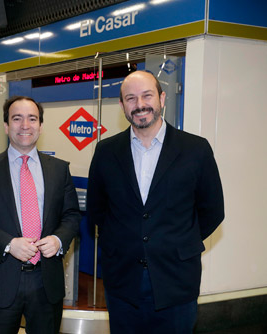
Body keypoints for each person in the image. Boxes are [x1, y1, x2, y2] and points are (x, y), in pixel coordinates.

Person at [87, 70, 225, 333]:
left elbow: (213, 210)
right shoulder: (106, 151)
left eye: (147, 95)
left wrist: (179, 241)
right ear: (121, 106)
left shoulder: (196, 149)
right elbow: (97, 210)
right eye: (131, 98)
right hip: (122, 282)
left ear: (162, 98)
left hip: (177, 281)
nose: (140, 105)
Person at [0, 96, 81, 334]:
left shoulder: (59, 169)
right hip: (1, 279)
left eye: (32, 118)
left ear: (40, 126)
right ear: (6, 126)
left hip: (46, 282)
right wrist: (8, 243)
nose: (25, 125)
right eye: (17, 118)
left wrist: (58, 240)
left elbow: (72, 215)